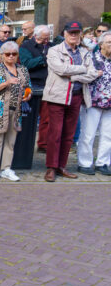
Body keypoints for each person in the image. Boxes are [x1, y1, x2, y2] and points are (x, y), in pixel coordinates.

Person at [42, 21, 100, 182]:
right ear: (65, 34)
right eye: (71, 32)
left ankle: (61, 166)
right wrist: (83, 69)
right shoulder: (54, 50)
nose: (74, 35)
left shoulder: (85, 52)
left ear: (80, 34)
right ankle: (51, 167)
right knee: (55, 133)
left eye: (76, 32)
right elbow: (60, 69)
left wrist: (73, 75)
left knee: (69, 134)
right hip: (57, 96)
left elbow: (93, 72)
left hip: (76, 96)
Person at [0, 42, 31, 182]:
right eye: (8, 54)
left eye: (14, 54)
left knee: (11, 141)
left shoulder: (23, 69)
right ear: (2, 55)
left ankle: (6, 168)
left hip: (16, 110)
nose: (11, 56)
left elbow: (28, 86)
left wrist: (28, 94)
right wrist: (6, 83)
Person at [77, 31, 111, 175]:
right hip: (93, 101)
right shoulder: (92, 58)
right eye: (109, 42)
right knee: (88, 134)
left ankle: (102, 163)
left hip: (109, 103)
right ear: (101, 44)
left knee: (108, 134)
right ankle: (84, 163)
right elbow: (82, 75)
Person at [20, 25, 51, 153]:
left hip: (47, 85)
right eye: (44, 39)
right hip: (32, 84)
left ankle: (43, 144)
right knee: (29, 116)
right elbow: (26, 64)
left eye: (48, 38)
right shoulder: (26, 46)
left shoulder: (51, 46)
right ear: (36, 36)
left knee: (46, 117)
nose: (46, 41)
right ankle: (25, 144)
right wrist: (43, 59)